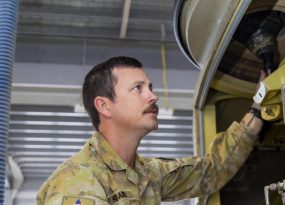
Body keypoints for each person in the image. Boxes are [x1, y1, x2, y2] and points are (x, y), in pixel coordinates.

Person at [36, 56, 264, 205]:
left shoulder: (146, 174)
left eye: (150, 87)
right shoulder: (78, 180)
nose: (153, 96)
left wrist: (258, 108)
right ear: (104, 106)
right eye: (138, 88)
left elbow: (211, 172)